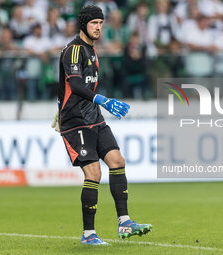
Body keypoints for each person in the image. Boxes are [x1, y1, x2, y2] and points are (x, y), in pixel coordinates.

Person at [51, 5, 152, 245]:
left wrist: (98, 104)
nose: (98, 27)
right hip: (75, 121)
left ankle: (125, 223)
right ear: (84, 24)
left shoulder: (92, 51)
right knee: (94, 173)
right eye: (94, 23)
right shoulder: (73, 50)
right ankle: (88, 235)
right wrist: (103, 99)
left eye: (101, 23)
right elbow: (75, 85)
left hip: (94, 118)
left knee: (117, 161)